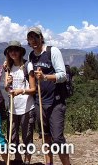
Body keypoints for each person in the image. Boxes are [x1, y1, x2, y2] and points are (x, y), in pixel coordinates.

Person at [27, 27, 71, 165]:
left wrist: (45, 76)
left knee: (57, 139)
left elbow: (63, 75)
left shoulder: (52, 51)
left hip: (55, 102)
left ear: (41, 37)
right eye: (30, 38)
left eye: (36, 37)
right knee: (45, 137)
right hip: (40, 102)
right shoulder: (31, 56)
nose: (33, 40)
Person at [4, 41, 36, 165]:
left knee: (27, 136)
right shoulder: (8, 67)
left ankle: (27, 161)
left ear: (21, 52)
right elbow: (7, 89)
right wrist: (8, 84)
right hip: (13, 108)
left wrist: (21, 91)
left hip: (27, 108)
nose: (13, 52)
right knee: (12, 137)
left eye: (16, 50)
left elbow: (33, 89)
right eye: (11, 50)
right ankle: (18, 160)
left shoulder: (28, 66)